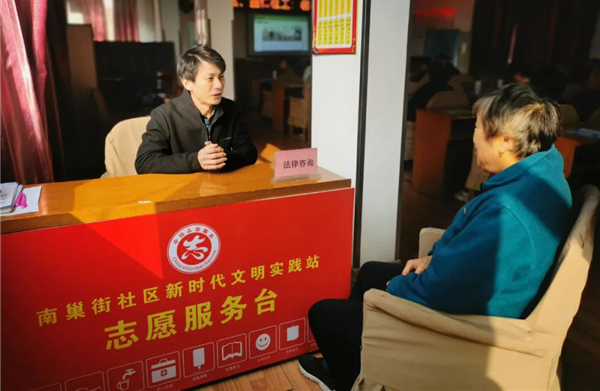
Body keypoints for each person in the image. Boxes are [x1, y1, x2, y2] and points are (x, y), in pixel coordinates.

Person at [298, 84, 572, 391]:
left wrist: (395, 288)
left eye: (478, 127)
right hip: (475, 288)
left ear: (505, 141)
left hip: (464, 321)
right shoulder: (542, 172)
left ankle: (351, 379)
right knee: (371, 271)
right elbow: (473, 257)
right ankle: (355, 356)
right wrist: (432, 258)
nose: (473, 138)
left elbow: (445, 289)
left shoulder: (507, 213)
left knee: (323, 314)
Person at [135, 46, 257, 174]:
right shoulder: (164, 115)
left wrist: (219, 158)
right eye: (210, 79)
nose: (219, 85)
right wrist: (196, 160)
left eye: (221, 77)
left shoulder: (232, 109)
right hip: (183, 185)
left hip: (222, 183)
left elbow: (249, 152)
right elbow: (144, 162)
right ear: (187, 83)